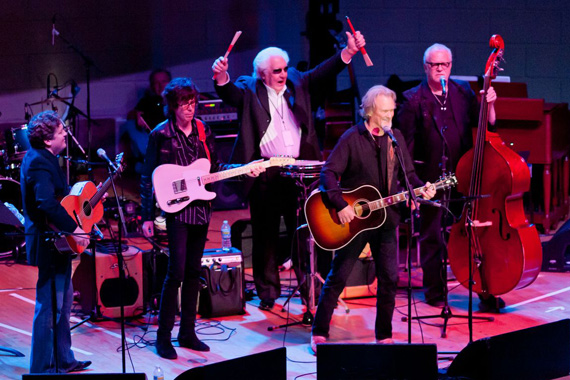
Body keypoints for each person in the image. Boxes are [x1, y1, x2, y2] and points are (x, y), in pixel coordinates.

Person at [211, 31, 366, 311]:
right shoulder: (249, 88)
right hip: (266, 173)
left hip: (298, 173)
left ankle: (311, 288)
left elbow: (324, 71)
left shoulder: (297, 80)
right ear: (262, 74)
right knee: (265, 234)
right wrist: (221, 77)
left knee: (303, 233)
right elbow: (228, 92)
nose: (283, 74)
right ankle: (268, 293)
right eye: (276, 71)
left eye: (284, 68)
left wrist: (349, 52)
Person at [141, 77, 263, 360]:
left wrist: (246, 169)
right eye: (184, 103)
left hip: (201, 208)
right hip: (176, 210)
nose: (190, 108)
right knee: (176, 271)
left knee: (195, 271)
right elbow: (148, 177)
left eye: (193, 102)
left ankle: (187, 332)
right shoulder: (160, 135)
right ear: (173, 105)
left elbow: (216, 168)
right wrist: (147, 216)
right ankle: (163, 337)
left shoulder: (203, 130)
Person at [310, 86, 436, 353]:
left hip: (387, 219)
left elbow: (408, 174)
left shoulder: (395, 138)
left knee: (389, 278)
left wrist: (421, 187)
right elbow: (328, 174)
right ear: (369, 112)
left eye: (392, 110)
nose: (390, 116)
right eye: (384, 112)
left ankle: (384, 335)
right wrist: (340, 204)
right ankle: (319, 331)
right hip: (355, 221)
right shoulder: (351, 138)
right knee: (339, 276)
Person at [396, 43, 502, 312]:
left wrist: (491, 105)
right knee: (432, 236)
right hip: (430, 180)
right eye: (434, 65)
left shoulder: (463, 91)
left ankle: (485, 291)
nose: (440, 69)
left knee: (471, 235)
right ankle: (435, 292)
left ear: (451, 66)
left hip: (464, 176)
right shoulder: (412, 100)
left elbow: (487, 125)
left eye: (444, 64)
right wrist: (412, 185)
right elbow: (404, 147)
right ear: (425, 67)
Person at [21, 110, 91, 373]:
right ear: (48, 140)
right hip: (49, 244)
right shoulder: (40, 162)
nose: (66, 135)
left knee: (63, 304)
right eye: (62, 131)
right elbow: (46, 203)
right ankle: (41, 369)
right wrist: (74, 229)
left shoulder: (45, 158)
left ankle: (64, 359)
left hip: (57, 244)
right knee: (50, 309)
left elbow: (59, 199)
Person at [125, 69, 172, 175]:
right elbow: (131, 115)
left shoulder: (176, 99)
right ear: (152, 86)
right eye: (156, 83)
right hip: (153, 140)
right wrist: (137, 115)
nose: (160, 86)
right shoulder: (147, 101)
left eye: (164, 81)